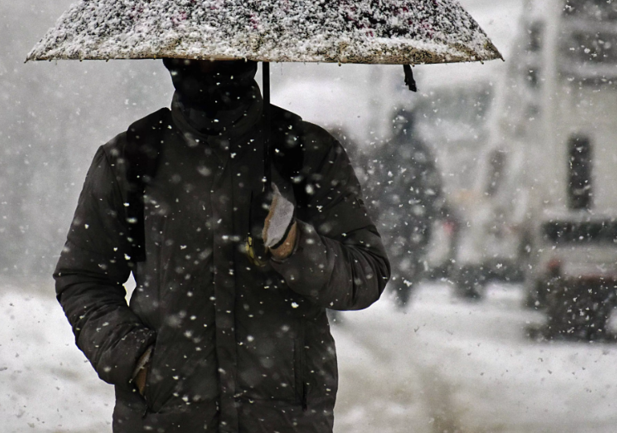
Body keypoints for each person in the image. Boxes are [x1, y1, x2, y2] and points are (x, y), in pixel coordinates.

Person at [54, 59, 390, 433]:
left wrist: (293, 244)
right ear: (171, 56)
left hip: (283, 420)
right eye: (193, 54)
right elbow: (83, 279)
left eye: (223, 57)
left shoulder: (306, 152)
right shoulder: (132, 157)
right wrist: (139, 360)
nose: (209, 65)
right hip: (167, 419)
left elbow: (366, 273)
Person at [364, 108, 454, 307]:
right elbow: (433, 184)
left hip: (392, 213)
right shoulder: (421, 152)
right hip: (415, 215)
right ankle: (404, 283)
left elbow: (373, 183)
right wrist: (437, 207)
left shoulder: (384, 150)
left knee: (394, 250)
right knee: (412, 252)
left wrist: (372, 206)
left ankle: (399, 281)